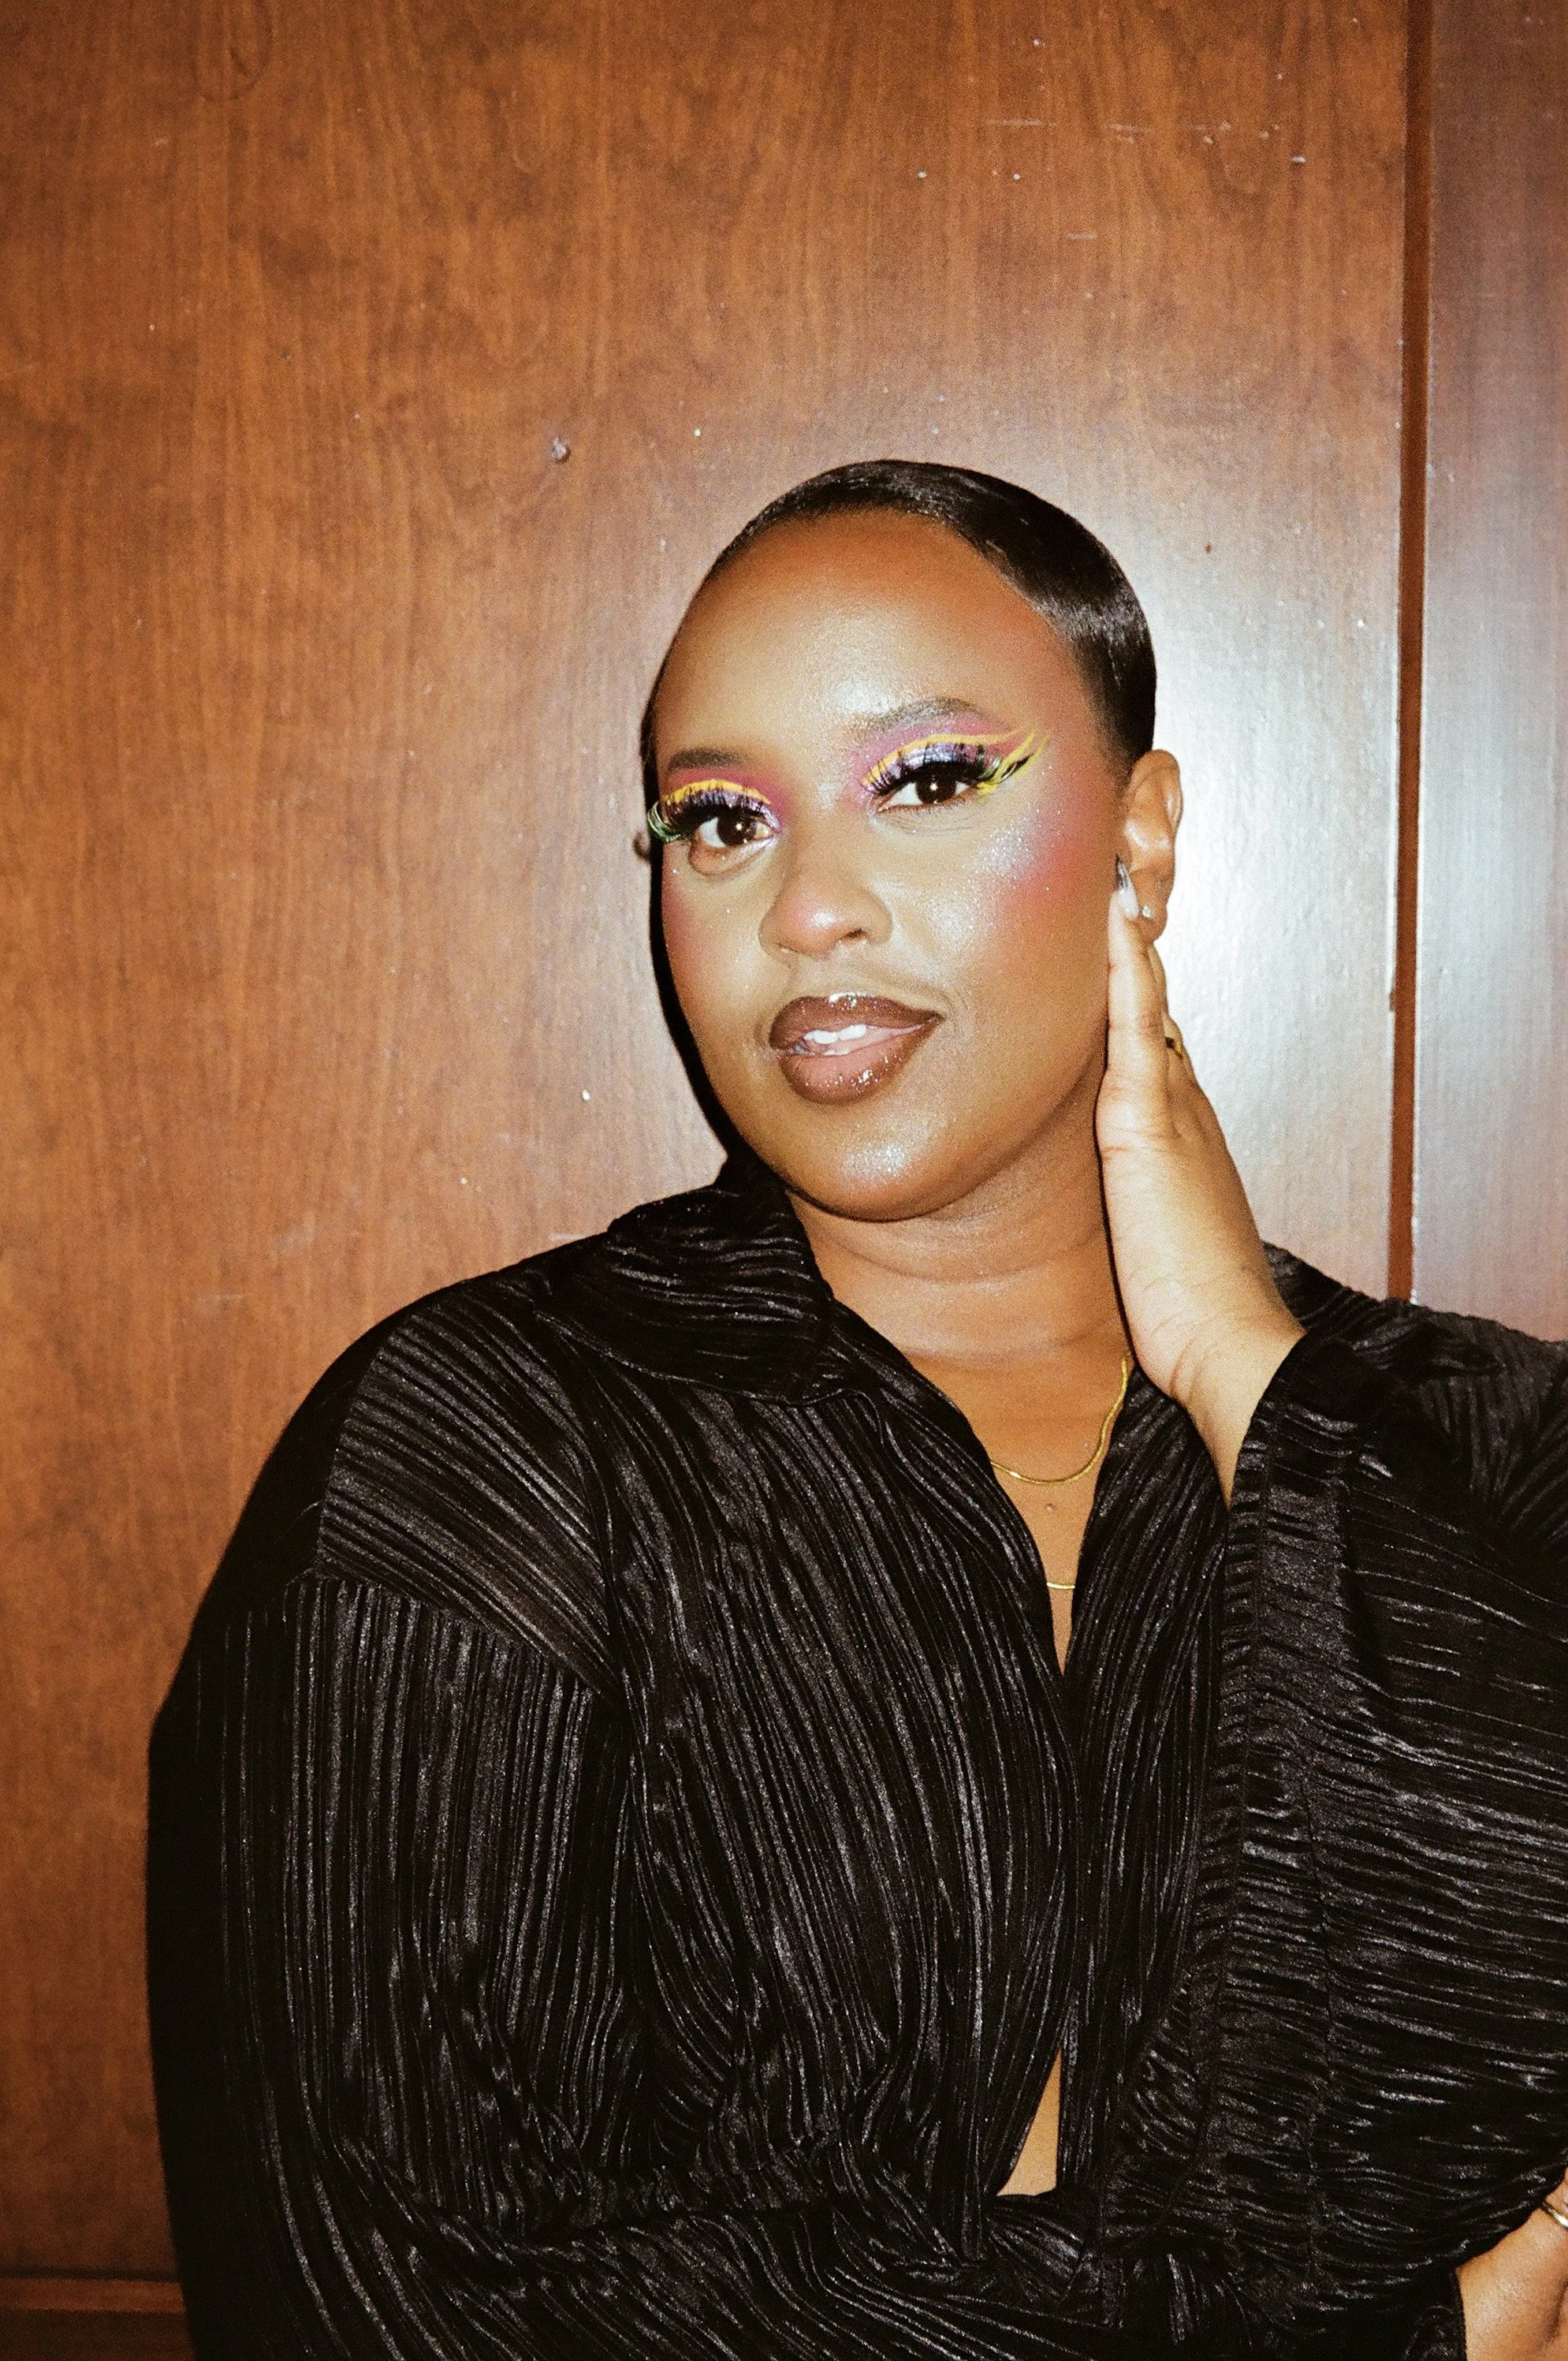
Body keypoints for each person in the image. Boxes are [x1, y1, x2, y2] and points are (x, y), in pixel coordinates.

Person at [148, 461, 1568, 2359]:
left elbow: (1493, 1996)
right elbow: (404, 2286)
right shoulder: (482, 1452)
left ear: (1142, 840)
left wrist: (1251, 1378)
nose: (808, 905)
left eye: (923, 780)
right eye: (720, 819)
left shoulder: (1491, 1444)